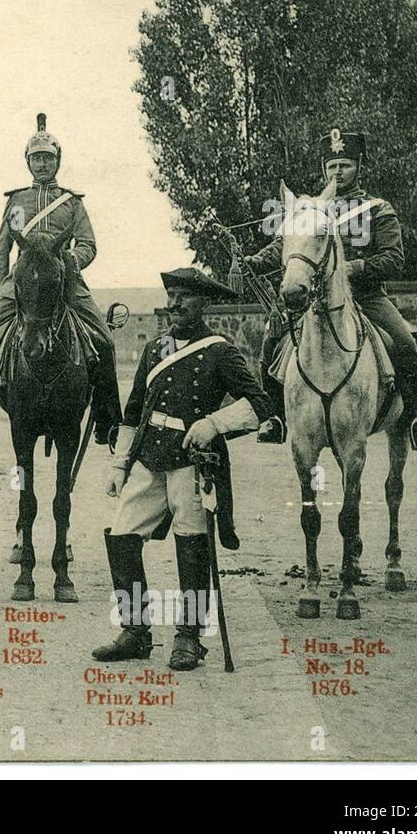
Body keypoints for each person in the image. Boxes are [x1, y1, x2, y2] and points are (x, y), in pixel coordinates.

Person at [93, 268, 271, 672]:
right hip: (149, 457)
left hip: (192, 464)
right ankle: (135, 631)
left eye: (185, 298)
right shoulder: (155, 349)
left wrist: (213, 424)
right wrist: (120, 464)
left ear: (202, 303)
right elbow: (133, 412)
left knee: (192, 545)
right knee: (121, 536)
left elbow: (261, 404)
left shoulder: (219, 350)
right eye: (171, 296)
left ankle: (189, 636)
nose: (175, 304)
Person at [243, 128, 417, 450]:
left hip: (367, 297)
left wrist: (355, 268)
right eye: (332, 166)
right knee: (272, 335)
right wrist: (252, 261)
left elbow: (394, 258)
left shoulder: (378, 208)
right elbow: (287, 245)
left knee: (404, 342)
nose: (338, 172)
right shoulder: (311, 210)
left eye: (345, 165)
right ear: (324, 171)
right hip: (316, 298)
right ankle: (275, 417)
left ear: (359, 166)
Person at [0, 112, 121, 443]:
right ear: (28, 163)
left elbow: (88, 243)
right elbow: (2, 249)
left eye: (47, 158)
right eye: (36, 159)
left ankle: (108, 420)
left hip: (64, 280)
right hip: (22, 282)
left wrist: (72, 258)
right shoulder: (16, 200)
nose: (42, 164)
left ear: (57, 161)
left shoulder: (71, 202)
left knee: (104, 341)